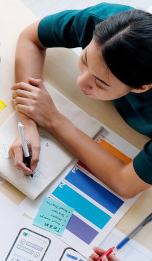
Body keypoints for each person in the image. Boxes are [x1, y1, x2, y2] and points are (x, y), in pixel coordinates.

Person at [9, 4, 152, 199]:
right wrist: (28, 121)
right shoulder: (108, 24)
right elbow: (31, 37)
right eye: (84, 59)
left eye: (100, 84)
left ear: (141, 87)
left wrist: (53, 119)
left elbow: (125, 183)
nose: (80, 82)